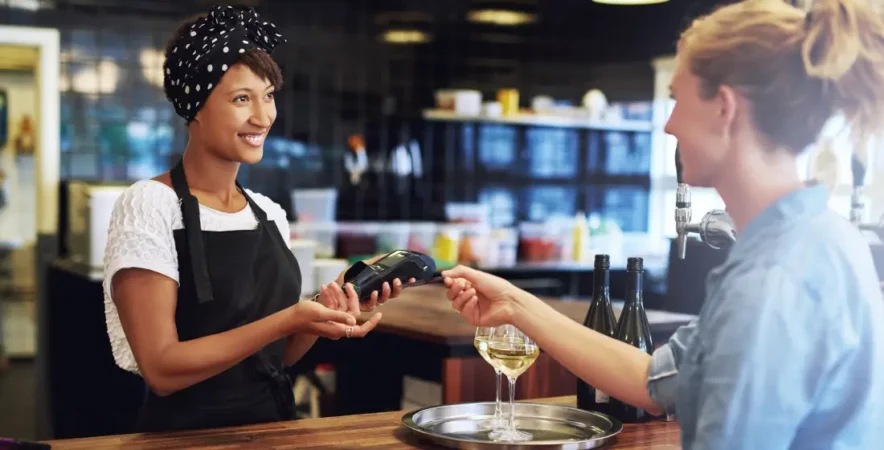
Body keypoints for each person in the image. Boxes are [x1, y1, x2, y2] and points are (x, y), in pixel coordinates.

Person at [444, 0, 884, 448]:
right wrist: (515, 306)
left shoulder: (773, 280)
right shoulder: (818, 238)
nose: (669, 126)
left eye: (676, 99)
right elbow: (655, 381)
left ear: (724, 108)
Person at [103, 4, 411, 433]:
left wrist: (324, 313)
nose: (263, 117)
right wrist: (288, 318)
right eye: (241, 99)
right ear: (195, 107)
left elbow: (277, 355)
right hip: (185, 439)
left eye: (268, 96)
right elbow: (161, 367)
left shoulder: (268, 212)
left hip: (274, 430)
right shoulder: (150, 205)